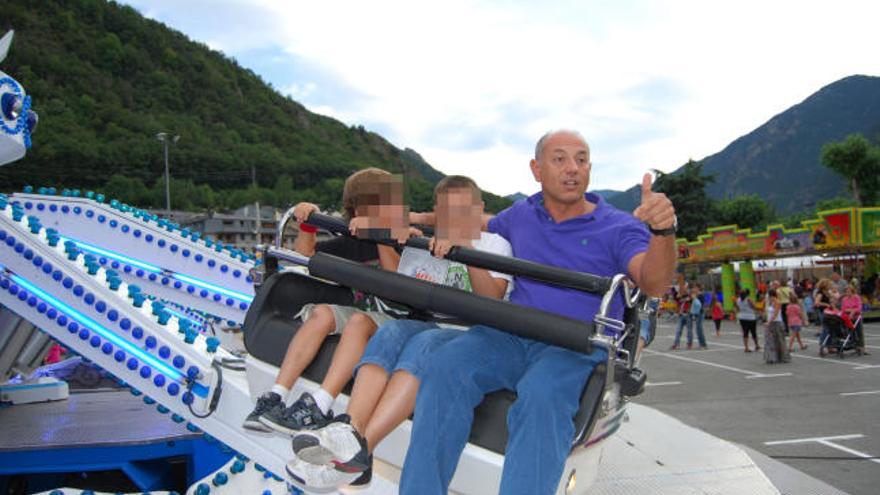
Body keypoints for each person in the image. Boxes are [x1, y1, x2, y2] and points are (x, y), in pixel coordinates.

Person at [380, 130, 675, 494]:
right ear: (536, 169)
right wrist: (407, 221)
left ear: (590, 169)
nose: (572, 168)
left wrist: (663, 232)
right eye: (560, 159)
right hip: (511, 333)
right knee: (445, 366)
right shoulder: (522, 213)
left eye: (581, 160)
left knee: (542, 397)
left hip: (575, 343)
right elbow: (478, 220)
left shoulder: (618, 226)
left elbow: (653, 282)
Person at [285, 176, 513, 489]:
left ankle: (359, 451)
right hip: (426, 319)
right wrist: (395, 237)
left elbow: (493, 298)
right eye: (448, 210)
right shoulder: (431, 241)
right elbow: (405, 288)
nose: (457, 216)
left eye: (465, 208)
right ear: (438, 212)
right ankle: (349, 428)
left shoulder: (496, 244)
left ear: (479, 208)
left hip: (466, 331)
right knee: (390, 334)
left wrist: (466, 250)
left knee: (423, 345)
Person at [243, 168, 412, 435]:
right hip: (364, 310)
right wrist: (309, 220)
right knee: (321, 314)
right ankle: (276, 395)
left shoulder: (404, 238)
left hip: (397, 320)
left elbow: (396, 277)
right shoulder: (352, 242)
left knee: (358, 321)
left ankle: (320, 405)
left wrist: (382, 233)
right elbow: (306, 254)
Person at [840, 284, 869, 355]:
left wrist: (852, 311)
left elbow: (859, 308)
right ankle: (855, 346)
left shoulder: (857, 297)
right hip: (848, 317)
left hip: (857, 317)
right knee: (851, 332)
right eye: (846, 291)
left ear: (852, 291)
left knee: (860, 332)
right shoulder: (844, 299)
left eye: (849, 291)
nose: (847, 293)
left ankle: (862, 347)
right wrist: (852, 310)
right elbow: (843, 309)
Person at [763, 289, 790, 364]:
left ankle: (783, 357)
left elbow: (775, 314)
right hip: (771, 323)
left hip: (777, 323)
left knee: (780, 340)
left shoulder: (777, 302)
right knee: (770, 341)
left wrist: (768, 322)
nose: (768, 297)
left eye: (768, 296)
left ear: (771, 295)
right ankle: (772, 357)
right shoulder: (770, 302)